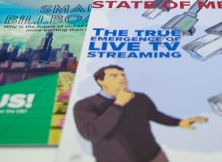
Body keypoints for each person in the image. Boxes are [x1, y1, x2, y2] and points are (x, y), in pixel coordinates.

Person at [73, 64, 208, 162]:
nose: (121, 78)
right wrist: (118, 104)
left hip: (154, 156)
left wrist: (179, 122)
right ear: (100, 81)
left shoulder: (140, 98)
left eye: (123, 75)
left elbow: (155, 115)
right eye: (114, 76)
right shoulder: (85, 105)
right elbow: (93, 134)